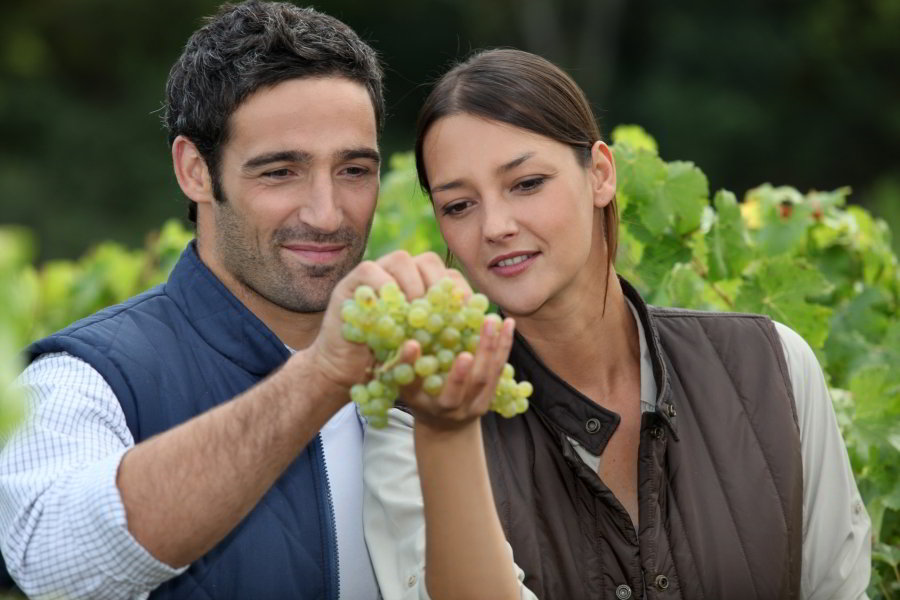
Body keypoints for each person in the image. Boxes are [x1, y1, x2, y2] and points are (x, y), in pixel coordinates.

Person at [363, 49, 873, 600]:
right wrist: (448, 433)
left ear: (600, 174)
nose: (496, 226)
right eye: (459, 205)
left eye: (527, 182)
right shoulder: (412, 430)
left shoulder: (774, 366)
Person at [0, 2, 470, 598]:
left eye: (354, 170)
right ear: (195, 170)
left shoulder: (418, 364)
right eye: (280, 172)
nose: (327, 214)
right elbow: (53, 562)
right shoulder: (83, 377)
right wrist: (320, 377)